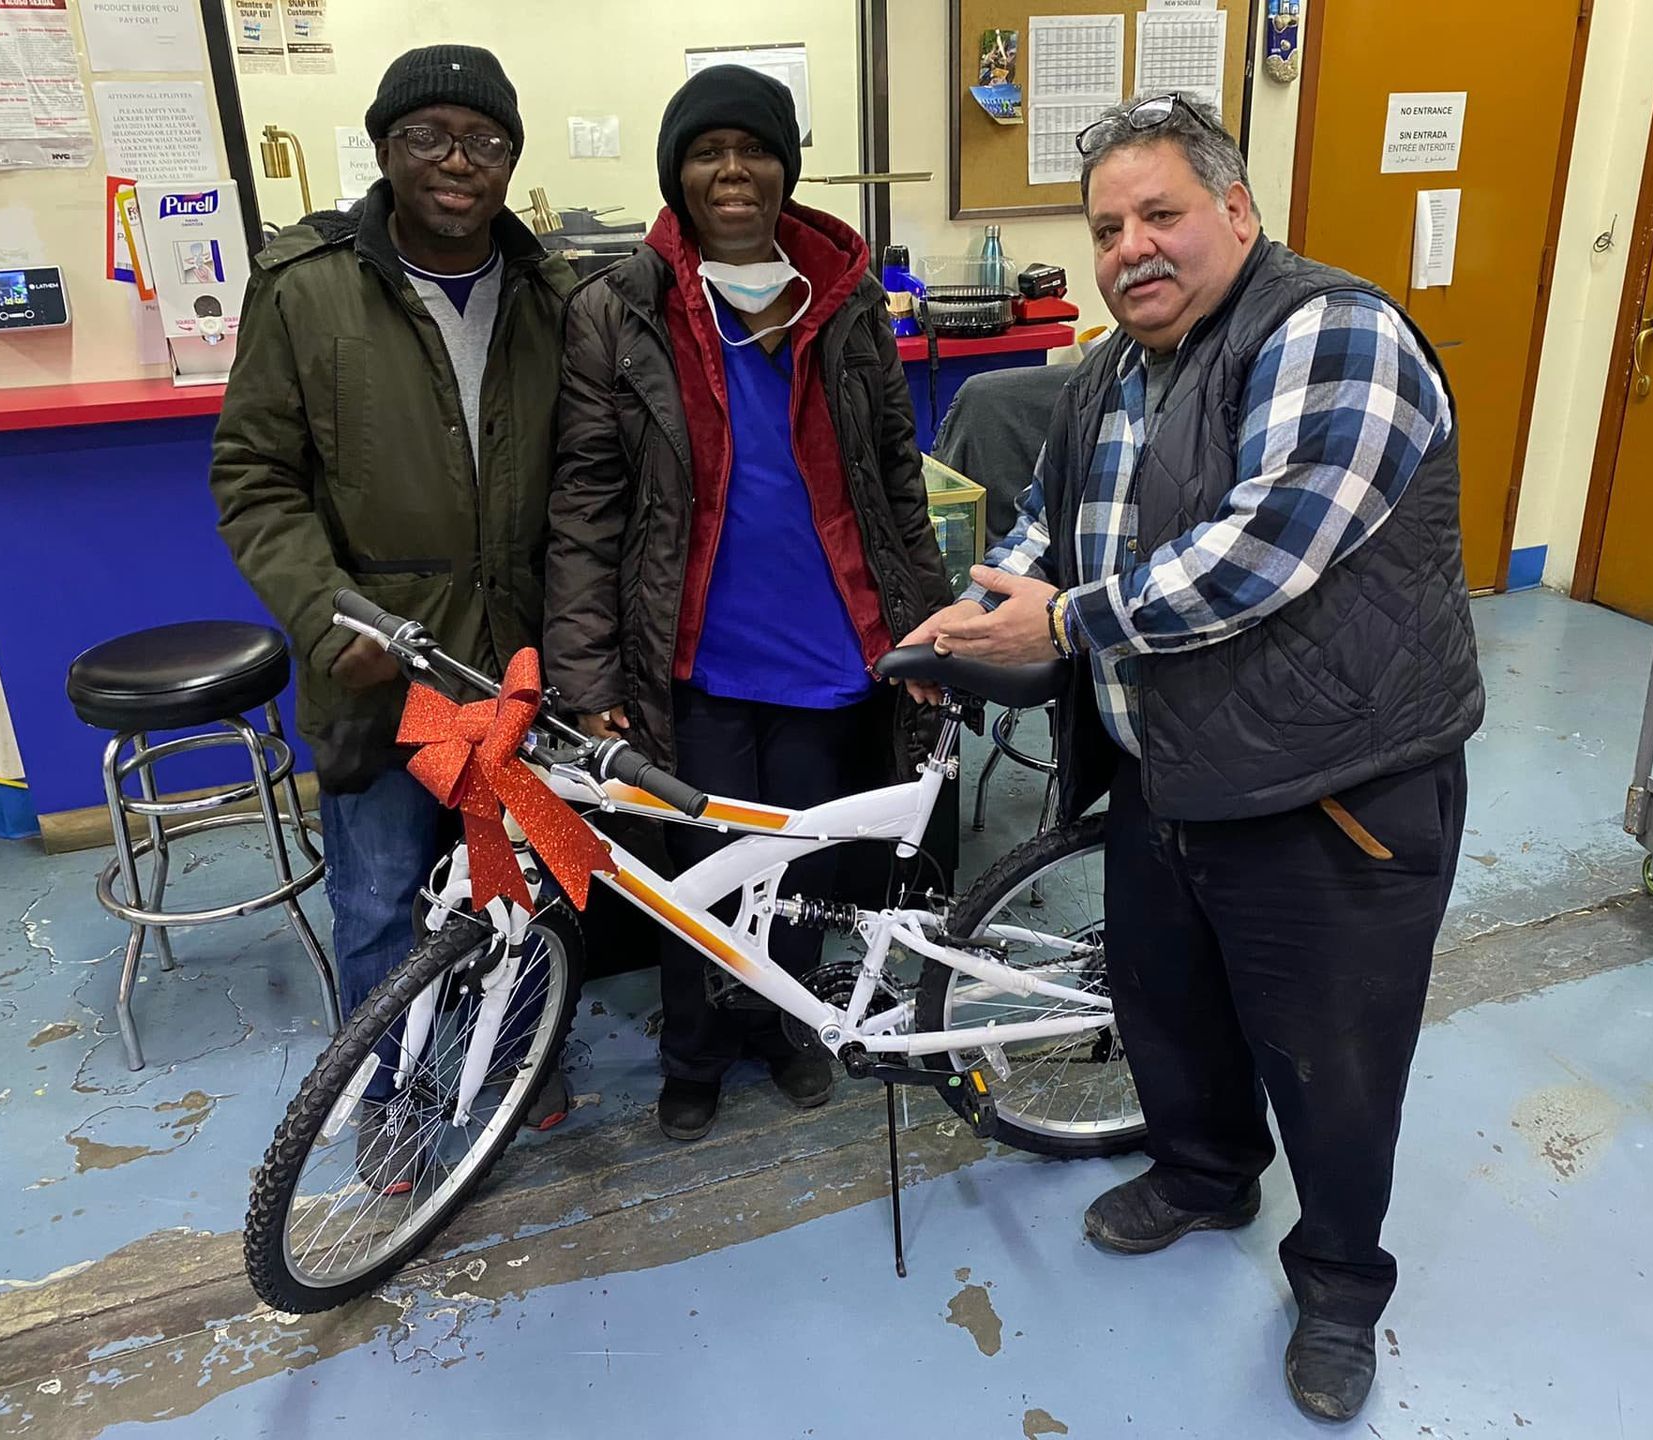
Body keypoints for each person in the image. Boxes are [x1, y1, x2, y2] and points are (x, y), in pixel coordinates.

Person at [902, 91, 1482, 1421]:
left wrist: (1059, 622)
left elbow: (1260, 550)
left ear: (1237, 207)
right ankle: (1207, 1174)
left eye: (1159, 214)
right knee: (1168, 1005)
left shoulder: (1334, 333)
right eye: (1107, 228)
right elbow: (1047, 524)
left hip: (1328, 784)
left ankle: (1339, 1284)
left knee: (1333, 1061)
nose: (1131, 249)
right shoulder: (1113, 369)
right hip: (1164, 768)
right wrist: (977, 610)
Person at [546, 66, 952, 1143]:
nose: (733, 170)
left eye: (756, 149)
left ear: (786, 169)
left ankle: (787, 1027)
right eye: (707, 151)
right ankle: (695, 1051)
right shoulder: (619, 308)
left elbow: (895, 482)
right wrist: (586, 673)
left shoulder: (847, 300)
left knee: (806, 868)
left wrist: (929, 629)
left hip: (828, 651)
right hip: (694, 660)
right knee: (703, 874)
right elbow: (586, 504)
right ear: (675, 173)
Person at [210, 45, 581, 1162]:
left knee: (529, 880)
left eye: (485, 141)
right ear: (384, 148)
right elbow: (254, 477)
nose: (457, 162)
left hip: (520, 665)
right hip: (382, 668)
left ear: (510, 159)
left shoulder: (556, 296)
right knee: (380, 901)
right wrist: (327, 618)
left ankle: (517, 1060)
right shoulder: (307, 288)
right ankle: (394, 1103)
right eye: (428, 136)